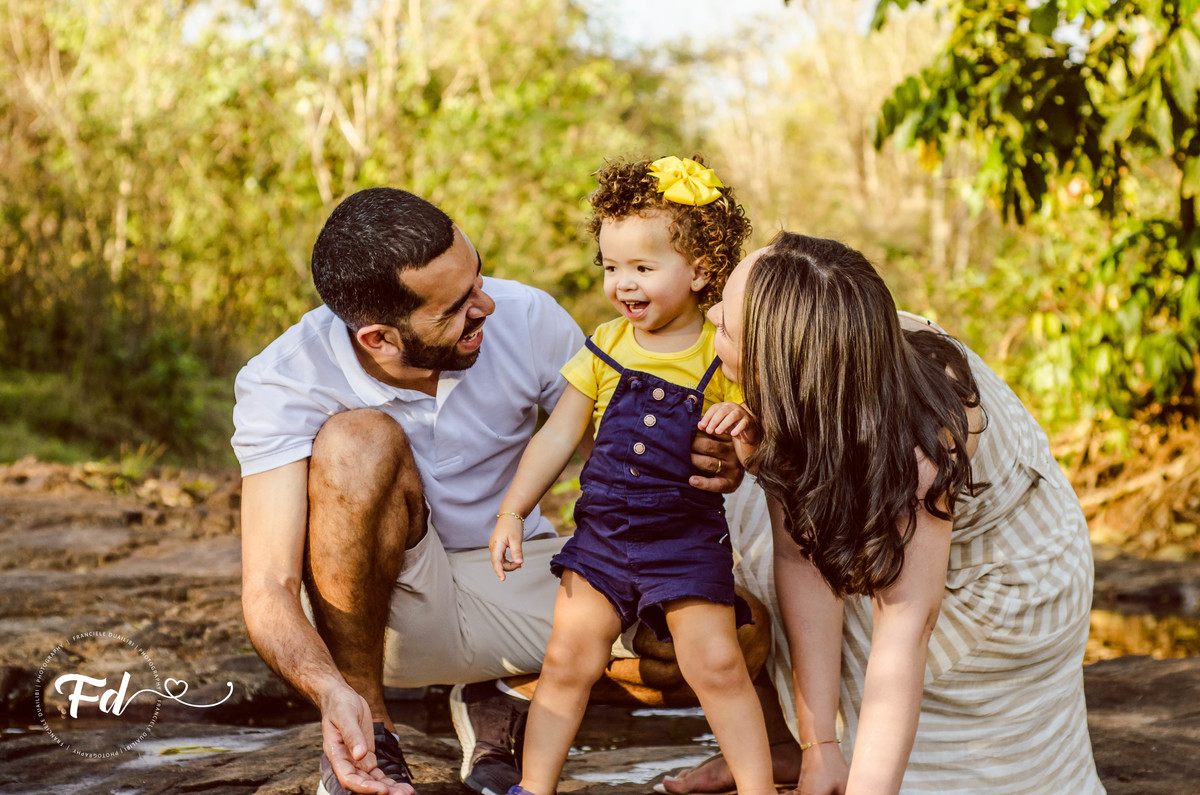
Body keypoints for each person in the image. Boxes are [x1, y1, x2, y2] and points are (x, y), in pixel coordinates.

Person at [231, 186, 749, 795]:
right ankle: (373, 731)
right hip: (385, 613)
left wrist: (709, 459)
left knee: (738, 634)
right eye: (457, 306)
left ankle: (503, 695)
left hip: (519, 573)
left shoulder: (526, 315)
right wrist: (330, 693)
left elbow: (612, 451)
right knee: (357, 440)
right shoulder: (282, 380)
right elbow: (268, 588)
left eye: (477, 278)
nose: (487, 305)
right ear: (380, 338)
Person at [689, 232, 1105, 794]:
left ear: (775, 362)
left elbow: (904, 629)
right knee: (741, 516)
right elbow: (798, 556)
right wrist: (818, 746)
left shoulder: (924, 439)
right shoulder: (814, 368)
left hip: (999, 579)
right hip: (898, 538)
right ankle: (789, 745)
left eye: (726, 327)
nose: (711, 313)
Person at [488, 156, 775, 795]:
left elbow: (759, 439)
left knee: (717, 664)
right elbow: (557, 435)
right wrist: (512, 511)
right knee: (567, 659)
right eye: (611, 266)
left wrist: (742, 417)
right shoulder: (606, 345)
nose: (623, 284)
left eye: (643, 268)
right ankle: (533, 788)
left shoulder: (721, 352)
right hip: (602, 540)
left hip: (686, 541)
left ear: (701, 270)